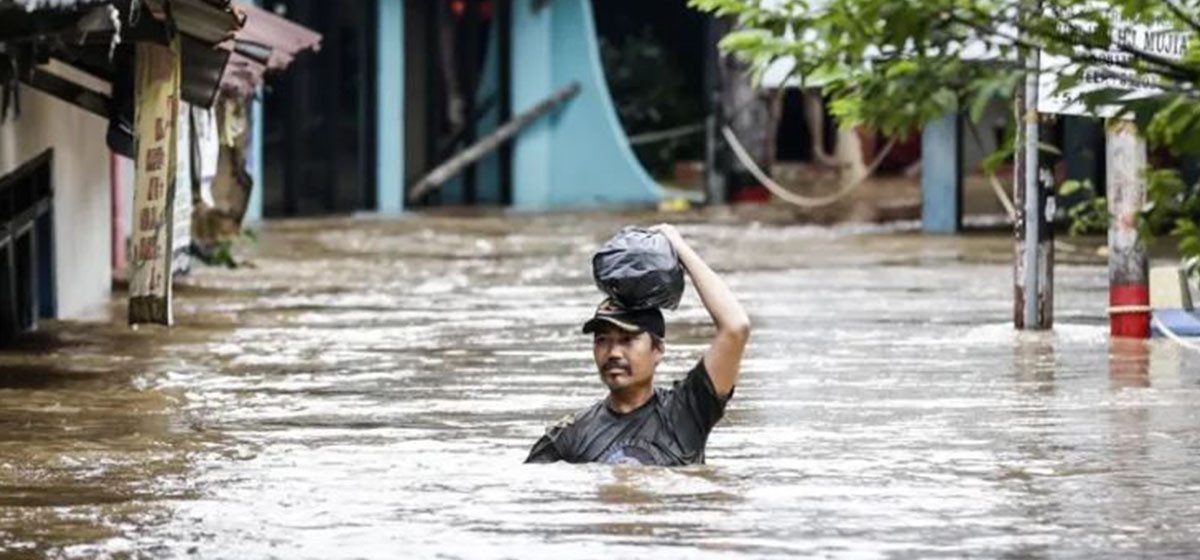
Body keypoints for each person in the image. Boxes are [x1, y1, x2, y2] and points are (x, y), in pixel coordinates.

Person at [525, 224, 751, 465]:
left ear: (658, 349)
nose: (613, 353)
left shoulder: (686, 412)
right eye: (602, 340)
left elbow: (735, 327)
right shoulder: (571, 436)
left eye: (627, 340)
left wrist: (680, 248)